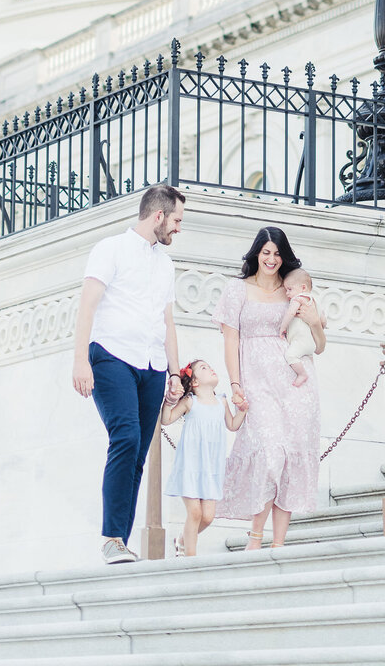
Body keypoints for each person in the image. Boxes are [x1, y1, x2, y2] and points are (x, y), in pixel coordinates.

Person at [71, 183, 184, 565]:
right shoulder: (110, 249)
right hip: (111, 357)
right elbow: (88, 304)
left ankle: (119, 540)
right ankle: (111, 537)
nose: (178, 228)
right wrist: (79, 360)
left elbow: (167, 322)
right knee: (125, 436)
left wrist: (174, 373)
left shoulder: (165, 264)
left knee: (137, 453)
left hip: (152, 365)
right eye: (177, 220)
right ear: (158, 216)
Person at [214, 224, 326, 549]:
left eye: (277, 253)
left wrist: (317, 322)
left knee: (289, 457)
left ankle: (279, 543)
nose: (272, 259)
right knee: (269, 452)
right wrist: (235, 384)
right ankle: (255, 537)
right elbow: (230, 340)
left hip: (296, 382)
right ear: (256, 253)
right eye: (266, 252)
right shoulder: (237, 290)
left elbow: (318, 346)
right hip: (256, 381)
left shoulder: (294, 291)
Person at [161, 358, 246, 556]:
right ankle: (190, 557)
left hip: (211, 468)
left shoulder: (222, 401)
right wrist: (169, 402)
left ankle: (181, 539)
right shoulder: (190, 402)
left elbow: (232, 425)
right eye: (204, 368)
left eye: (210, 366)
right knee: (195, 513)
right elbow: (166, 420)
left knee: (207, 517)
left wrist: (242, 411)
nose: (211, 369)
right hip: (190, 464)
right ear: (195, 382)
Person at [279, 265, 325, 388]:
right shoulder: (315, 301)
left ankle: (302, 374)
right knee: (308, 361)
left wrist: (283, 327)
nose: (287, 293)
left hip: (300, 341)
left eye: (289, 289)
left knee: (290, 356)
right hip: (311, 343)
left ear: (303, 287)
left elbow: (290, 313)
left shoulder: (298, 299)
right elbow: (324, 321)